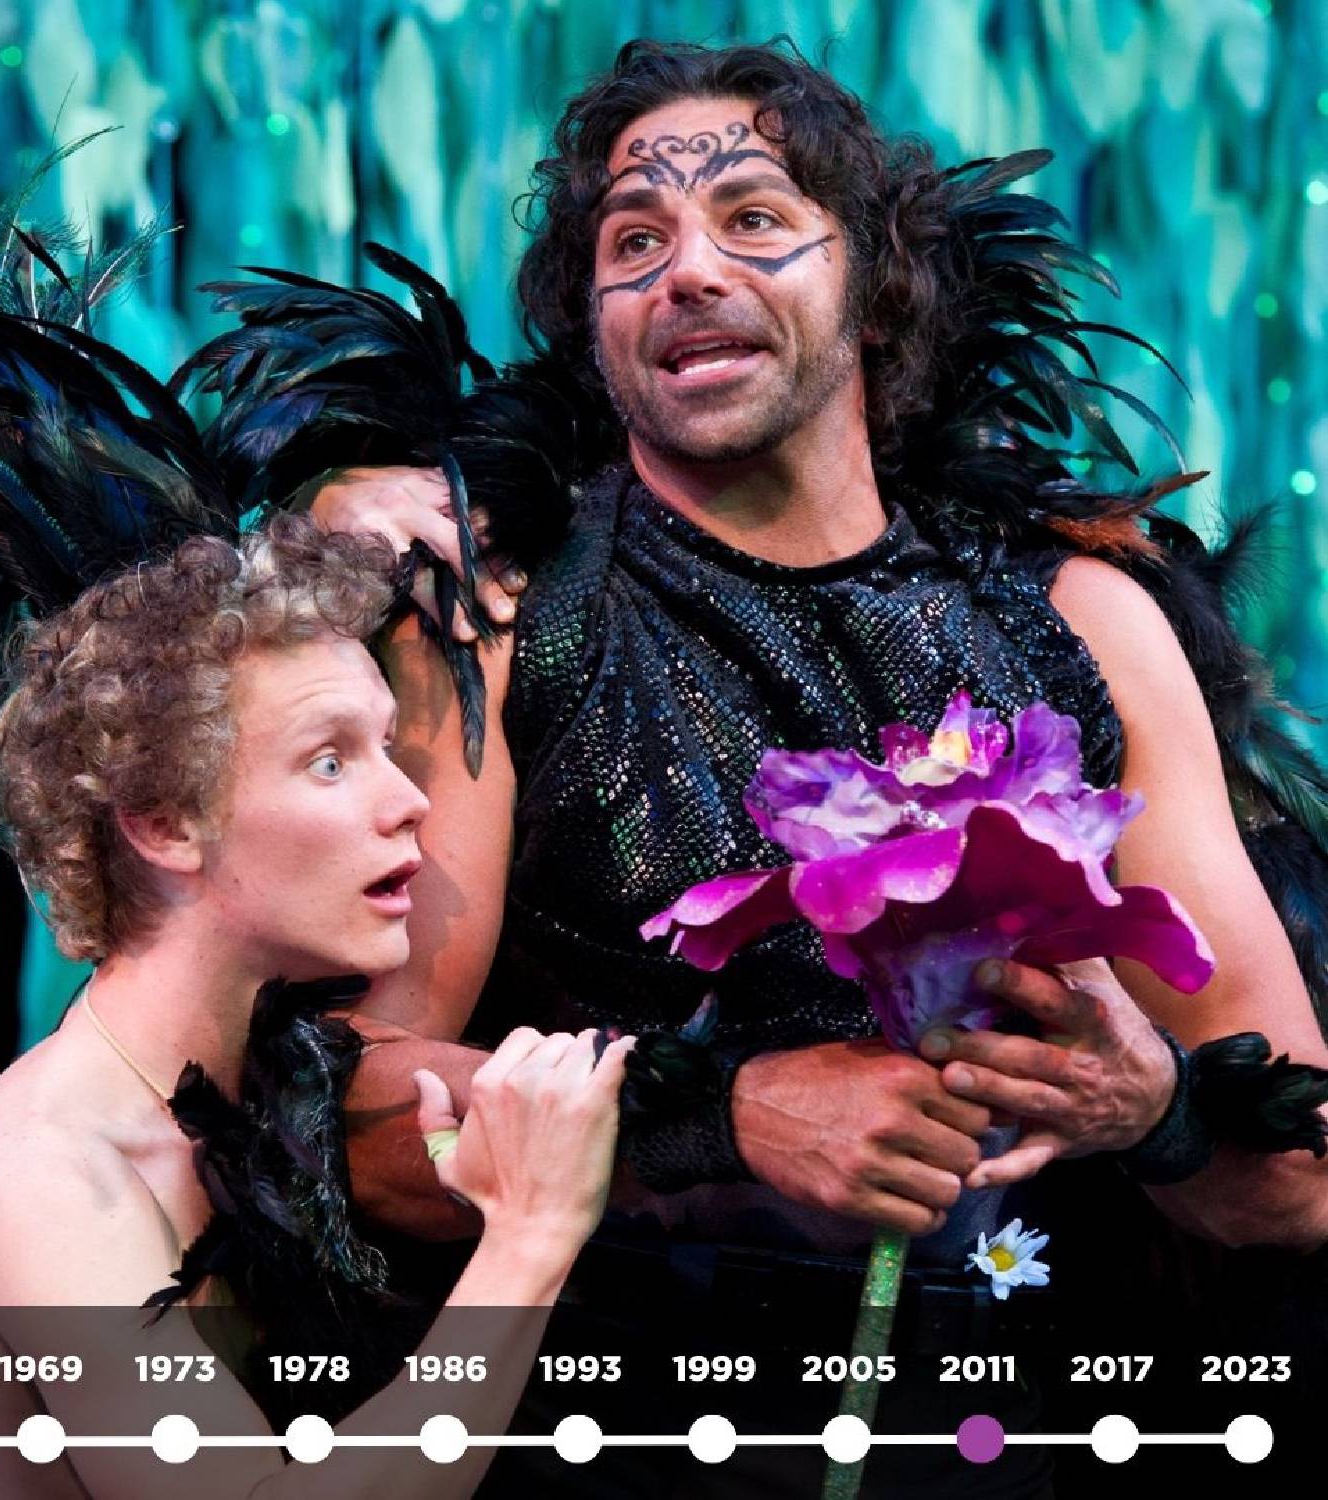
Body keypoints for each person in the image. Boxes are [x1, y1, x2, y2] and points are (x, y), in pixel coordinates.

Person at [289, 37, 1328, 1497]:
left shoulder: (1082, 624)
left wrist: (1151, 1106)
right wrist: (719, 1115)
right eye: (634, 242)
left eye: (754, 217)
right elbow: (334, 1109)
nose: (687, 272)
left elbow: (1304, 1178)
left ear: (874, 285)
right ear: (594, 325)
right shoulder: (506, 625)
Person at [0, 218, 634, 1499]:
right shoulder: (47, 1170)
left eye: (390, 745)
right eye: (331, 762)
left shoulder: (266, 1107)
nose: (407, 805)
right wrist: (527, 1244)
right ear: (163, 821)